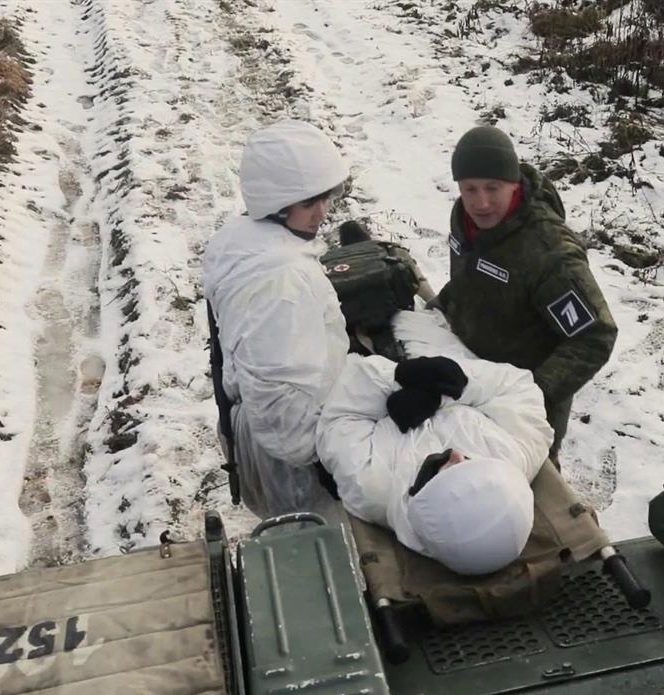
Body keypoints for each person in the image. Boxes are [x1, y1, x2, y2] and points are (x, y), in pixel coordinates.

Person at [432, 126, 617, 464]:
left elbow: (594, 336)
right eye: (470, 189)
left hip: (525, 408)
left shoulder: (549, 253)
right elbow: (469, 276)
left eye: (493, 188)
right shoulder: (465, 218)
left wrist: (531, 394)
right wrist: (438, 308)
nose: (481, 202)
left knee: (535, 493)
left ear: (514, 184)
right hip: (469, 378)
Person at [202, 119, 350, 518]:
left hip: (263, 439)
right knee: (315, 552)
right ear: (276, 205)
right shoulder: (279, 281)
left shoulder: (243, 241)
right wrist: (330, 465)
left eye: (326, 197)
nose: (323, 212)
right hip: (295, 466)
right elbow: (279, 410)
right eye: (309, 203)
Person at [316, 350, 553, 575]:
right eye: (471, 463)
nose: (458, 455)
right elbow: (516, 386)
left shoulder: (372, 486)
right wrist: (453, 387)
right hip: (444, 353)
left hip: (365, 369)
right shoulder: (517, 452)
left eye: (451, 472)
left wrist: (396, 378)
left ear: (423, 495)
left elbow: (342, 417)